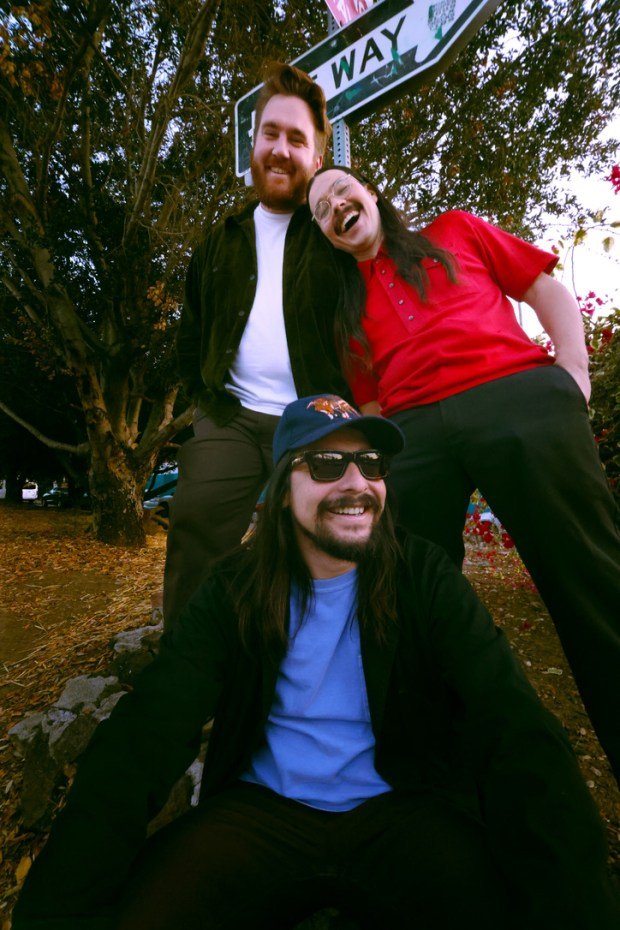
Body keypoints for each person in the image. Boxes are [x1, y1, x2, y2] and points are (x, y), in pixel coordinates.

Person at [12, 395, 620, 930]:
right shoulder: (235, 589)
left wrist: (576, 904)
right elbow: (147, 734)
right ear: (280, 494)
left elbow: (514, 727)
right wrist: (59, 907)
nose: (357, 483)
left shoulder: (424, 576)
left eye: (373, 465)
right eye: (328, 464)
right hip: (260, 814)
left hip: (402, 808)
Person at [306, 166, 620, 783]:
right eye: (320, 210)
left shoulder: (455, 231)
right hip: (415, 433)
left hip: (515, 397)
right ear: (327, 236)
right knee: (404, 594)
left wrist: (573, 374)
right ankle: (434, 784)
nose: (336, 206)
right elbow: (371, 407)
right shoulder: (348, 314)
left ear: (371, 192)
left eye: (342, 190)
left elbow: (544, 289)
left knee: (593, 577)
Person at [164, 62, 351, 629]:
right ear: (254, 143)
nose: (281, 149)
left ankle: (330, 661)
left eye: (298, 139)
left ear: (318, 158)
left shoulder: (334, 233)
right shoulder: (219, 242)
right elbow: (191, 332)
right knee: (195, 524)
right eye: (271, 133)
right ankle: (188, 674)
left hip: (320, 416)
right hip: (234, 417)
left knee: (341, 540)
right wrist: (200, 405)